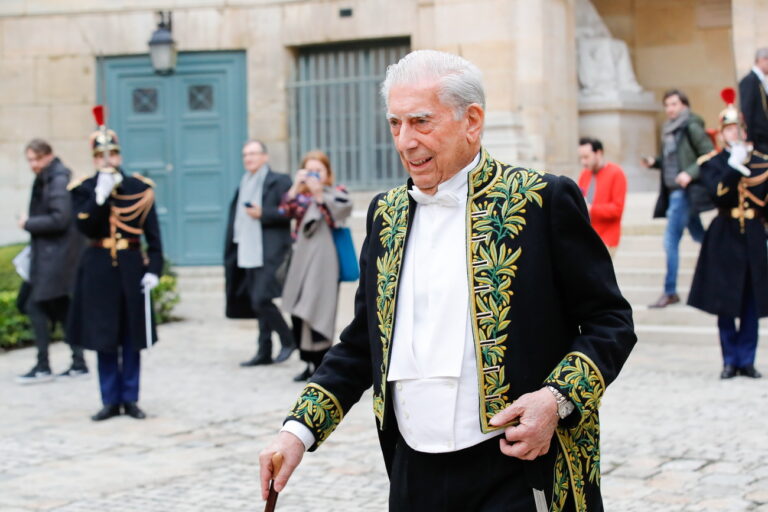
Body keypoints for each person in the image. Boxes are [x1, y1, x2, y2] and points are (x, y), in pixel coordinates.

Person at [259, 50, 636, 512]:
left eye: (421, 122)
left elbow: (610, 321)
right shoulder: (386, 214)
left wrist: (555, 401)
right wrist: (297, 431)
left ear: (472, 121)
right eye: (394, 123)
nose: (404, 141)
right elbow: (363, 343)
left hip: (518, 470)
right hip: (413, 475)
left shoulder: (542, 200)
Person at [67, 124, 163, 421]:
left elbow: (154, 236)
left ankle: (130, 397)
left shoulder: (139, 188)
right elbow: (85, 227)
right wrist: (99, 198)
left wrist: (155, 269)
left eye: (111, 154)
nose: (106, 160)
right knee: (103, 336)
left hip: (132, 266)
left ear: (119, 156)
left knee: (131, 336)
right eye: (100, 156)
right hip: (98, 268)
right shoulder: (83, 189)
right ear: (94, 159)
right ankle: (110, 399)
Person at [688, 89, 767, 380]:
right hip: (724, 235)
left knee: (750, 300)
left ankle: (747, 359)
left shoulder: (760, 160)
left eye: (737, 128)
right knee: (725, 302)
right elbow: (717, 195)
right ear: (721, 133)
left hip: (752, 234)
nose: (733, 133)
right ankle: (729, 359)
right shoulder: (713, 162)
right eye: (728, 128)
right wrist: (734, 167)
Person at [15, 139, 86, 384]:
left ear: (48, 156)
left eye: (35, 159)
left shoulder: (57, 180)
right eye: (30, 160)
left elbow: (60, 219)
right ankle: (77, 361)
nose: (32, 165)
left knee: (34, 305)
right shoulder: (49, 177)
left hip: (55, 259)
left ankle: (46, 364)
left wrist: (28, 224)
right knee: (59, 309)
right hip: (50, 257)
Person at [279, 150, 353, 382]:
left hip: (323, 261)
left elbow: (344, 210)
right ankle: (308, 362)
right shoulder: (299, 195)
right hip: (300, 258)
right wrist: (296, 186)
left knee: (318, 308)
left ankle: (321, 363)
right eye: (309, 170)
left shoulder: (336, 192)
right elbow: (283, 212)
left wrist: (320, 194)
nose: (313, 176)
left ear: (327, 173)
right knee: (299, 311)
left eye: (317, 171)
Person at [224, 140, 295, 367]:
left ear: (265, 157)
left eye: (253, 154)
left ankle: (288, 339)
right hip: (247, 249)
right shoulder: (244, 183)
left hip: (271, 249)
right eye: (246, 155)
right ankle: (264, 350)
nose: (249, 158)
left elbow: (288, 212)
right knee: (256, 302)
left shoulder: (280, 181)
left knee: (261, 298)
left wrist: (263, 213)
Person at [641, 89, 714, 308]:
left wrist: (689, 173)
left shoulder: (691, 125)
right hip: (674, 191)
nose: (670, 109)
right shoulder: (668, 129)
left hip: (684, 192)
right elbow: (672, 160)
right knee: (703, 237)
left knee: (670, 240)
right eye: (667, 105)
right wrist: (655, 162)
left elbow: (708, 153)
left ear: (684, 105)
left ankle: (670, 290)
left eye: (674, 104)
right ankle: (730, 262)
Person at [577, 137, 627, 256]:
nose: (583, 162)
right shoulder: (584, 174)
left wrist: (591, 209)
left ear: (598, 153)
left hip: (606, 239)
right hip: (587, 238)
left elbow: (617, 209)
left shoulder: (616, 173)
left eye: (586, 157)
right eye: (581, 158)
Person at [739, 47, 768, 154]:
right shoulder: (750, 81)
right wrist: (748, 138)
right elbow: (746, 111)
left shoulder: (759, 80)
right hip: (758, 140)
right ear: (762, 60)